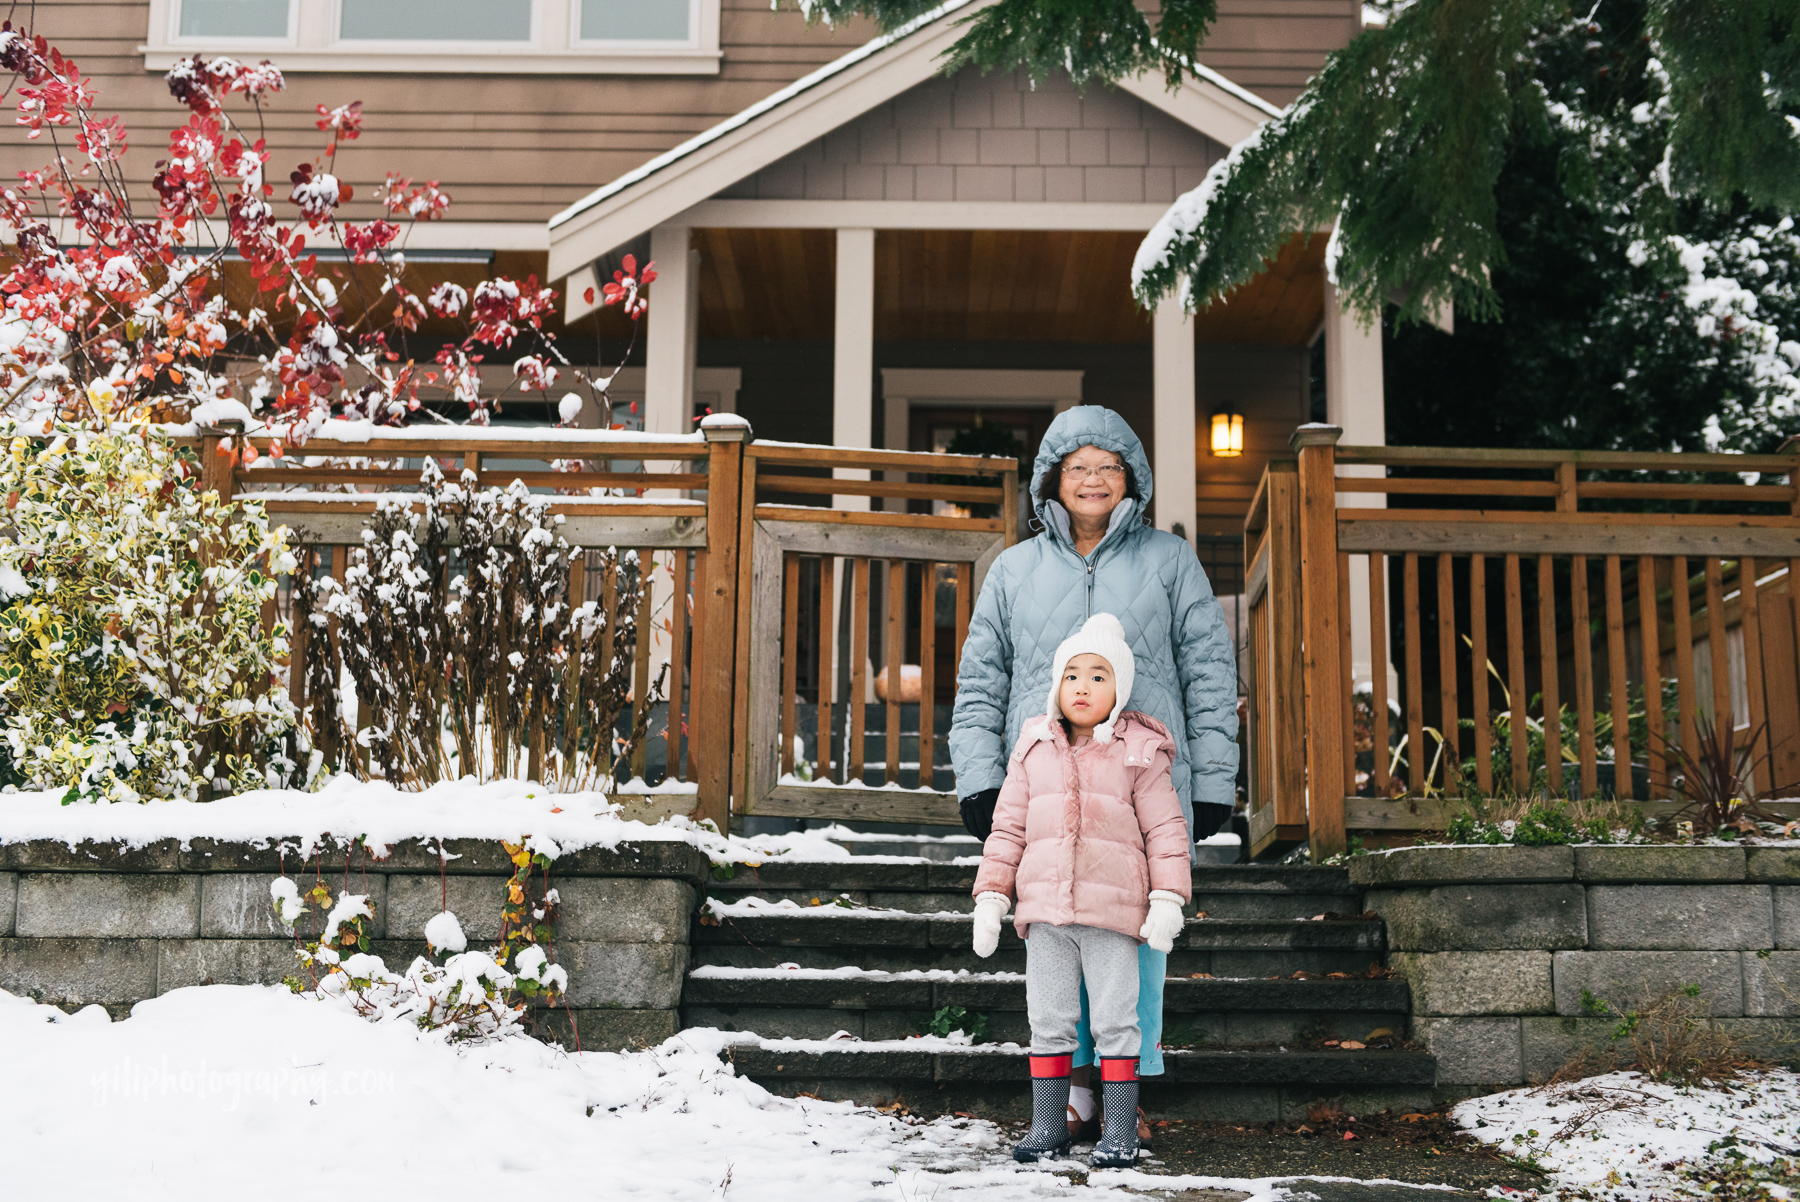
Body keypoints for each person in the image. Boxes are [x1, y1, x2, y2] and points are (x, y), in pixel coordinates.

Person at [949, 404, 1238, 1137]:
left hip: (1139, 793)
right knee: (1053, 934)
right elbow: (982, 675)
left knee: (1132, 952)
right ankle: (1075, 1093)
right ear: (1052, 479)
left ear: (1131, 479)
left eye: (1109, 466)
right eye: (1077, 467)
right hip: (1044, 790)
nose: (1092, 480)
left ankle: (1121, 1098)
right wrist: (980, 777)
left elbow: (1208, 669)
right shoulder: (1014, 569)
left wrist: (1211, 782)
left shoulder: (1170, 560)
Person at [968, 614, 1192, 1166]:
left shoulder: (1138, 750)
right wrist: (992, 896)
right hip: (1045, 914)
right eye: (1072, 675)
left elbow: (1165, 831)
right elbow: (1008, 828)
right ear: (1055, 686)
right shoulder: (1034, 746)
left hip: (1112, 915)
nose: (1083, 687)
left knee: (1117, 1019)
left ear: (1119, 687)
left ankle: (1118, 1129)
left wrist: (1168, 898)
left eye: (1098, 676)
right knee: (1048, 1017)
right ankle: (1050, 1125)